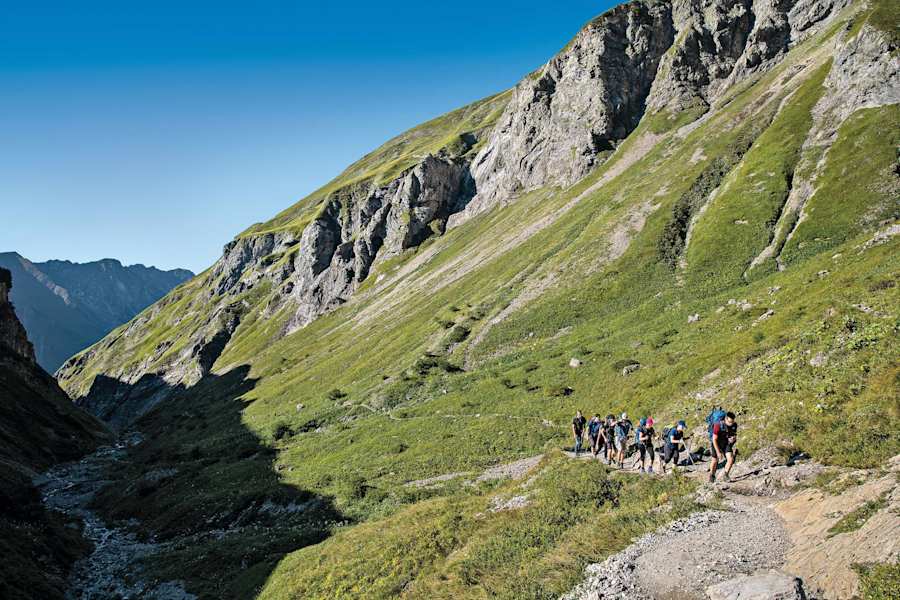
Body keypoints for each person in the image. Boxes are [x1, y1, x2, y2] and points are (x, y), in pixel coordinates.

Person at [709, 411, 738, 483]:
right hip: (716, 443)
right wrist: (718, 452)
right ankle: (712, 475)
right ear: (725, 419)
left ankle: (726, 475)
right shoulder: (718, 425)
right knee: (715, 460)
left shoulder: (734, 425)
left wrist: (733, 439)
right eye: (729, 422)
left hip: (726, 443)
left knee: (730, 459)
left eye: (732, 422)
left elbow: (733, 434)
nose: (731, 424)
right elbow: (714, 439)